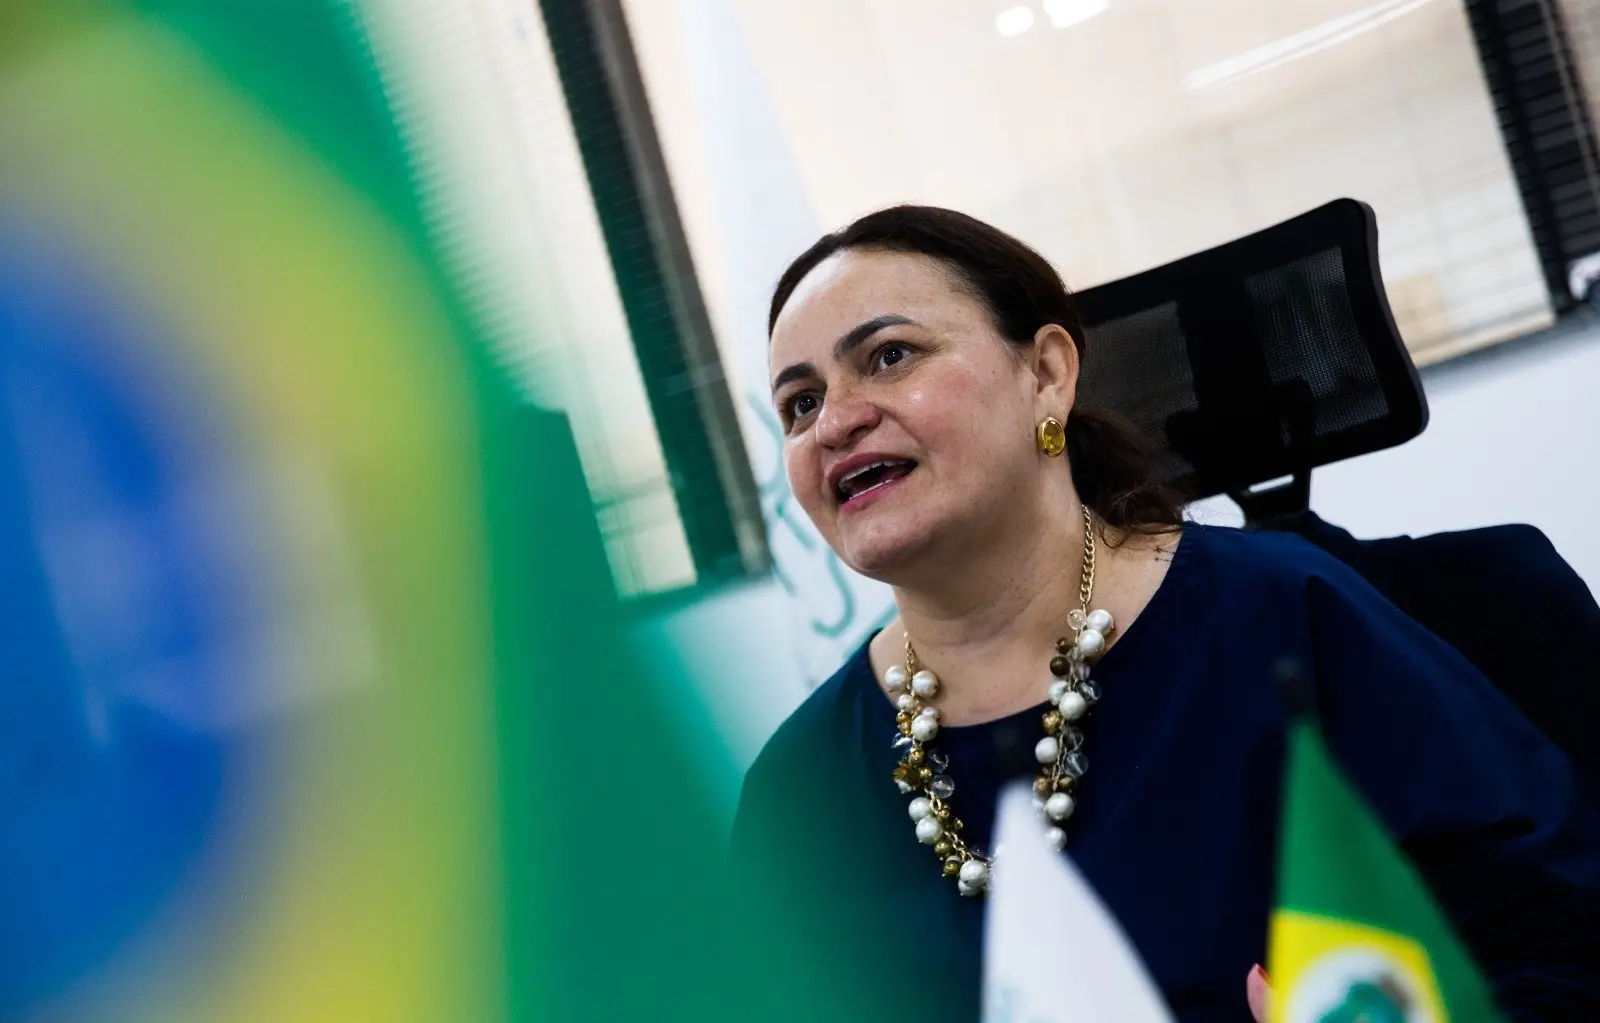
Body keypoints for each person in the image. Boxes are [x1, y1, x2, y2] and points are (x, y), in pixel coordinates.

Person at [730, 205, 1600, 1022]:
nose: (837, 420)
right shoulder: (797, 792)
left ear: (1046, 373)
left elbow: (1559, 942)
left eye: (889, 357)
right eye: (799, 404)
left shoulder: (1289, 618)